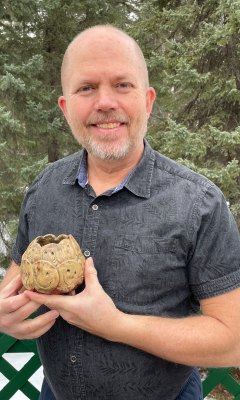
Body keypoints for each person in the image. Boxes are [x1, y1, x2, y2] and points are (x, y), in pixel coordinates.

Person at [0, 24, 240, 400]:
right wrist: (7, 313)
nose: (105, 102)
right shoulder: (43, 188)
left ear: (147, 100)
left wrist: (116, 325)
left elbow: (232, 341)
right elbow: (16, 276)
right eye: (86, 88)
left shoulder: (200, 204)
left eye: (122, 85)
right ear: (66, 107)